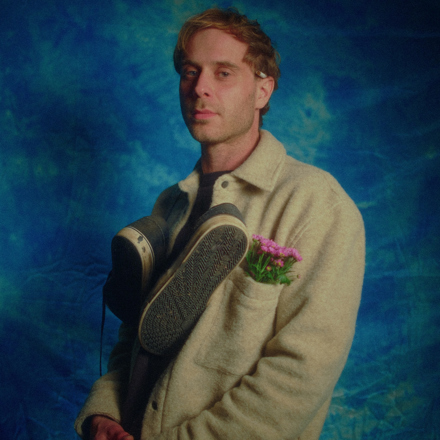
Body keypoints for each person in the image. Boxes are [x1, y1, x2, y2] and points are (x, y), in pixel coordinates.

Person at [75, 7, 365, 440]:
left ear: (263, 90)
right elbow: (135, 333)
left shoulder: (317, 205)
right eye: (190, 72)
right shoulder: (170, 204)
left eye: (223, 72)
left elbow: (299, 374)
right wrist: (104, 413)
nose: (200, 88)